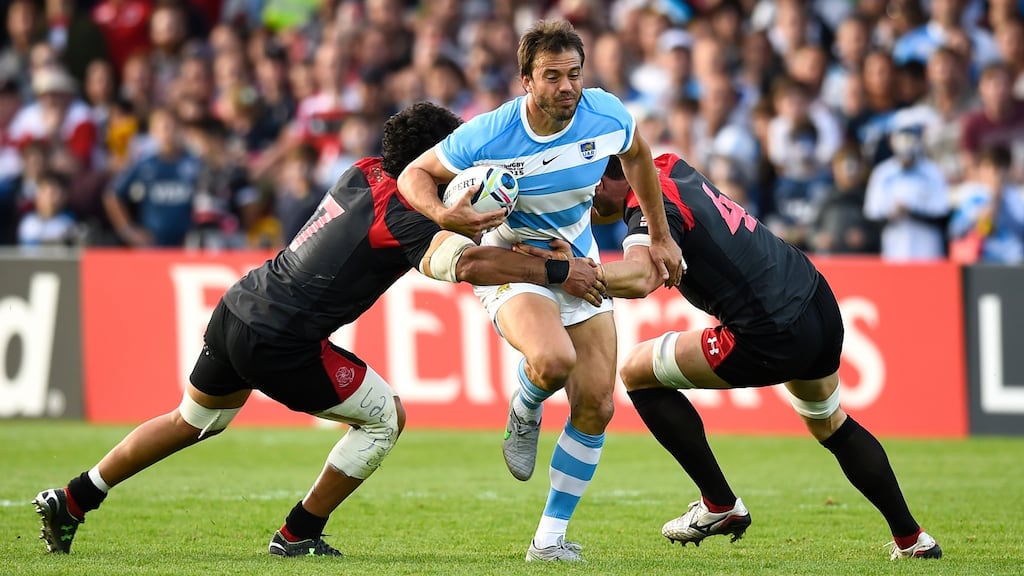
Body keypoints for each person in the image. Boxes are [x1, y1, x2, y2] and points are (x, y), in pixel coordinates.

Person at [32, 102, 606, 558]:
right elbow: (468, 265)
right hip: (280, 339)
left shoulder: (361, 172)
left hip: (240, 306)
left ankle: (74, 497)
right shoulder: (405, 215)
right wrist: (556, 269)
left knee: (193, 419)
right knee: (386, 419)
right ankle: (299, 531)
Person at [549, 152, 943, 560]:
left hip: (770, 330)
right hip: (815, 299)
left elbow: (642, 275)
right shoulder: (666, 164)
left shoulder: (654, 205)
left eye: (590, 184)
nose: (589, 195)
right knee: (831, 425)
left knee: (635, 371)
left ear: (609, 176)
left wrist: (568, 272)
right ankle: (913, 539)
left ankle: (719, 504)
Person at [397, 19, 684, 563]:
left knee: (598, 403)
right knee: (553, 361)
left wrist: (662, 236)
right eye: (552, 76)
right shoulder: (489, 134)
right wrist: (444, 214)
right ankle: (525, 408)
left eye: (574, 74)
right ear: (526, 79)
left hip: (577, 254)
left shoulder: (606, 115)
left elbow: (640, 157)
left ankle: (548, 541)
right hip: (513, 261)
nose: (567, 87)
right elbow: (415, 174)